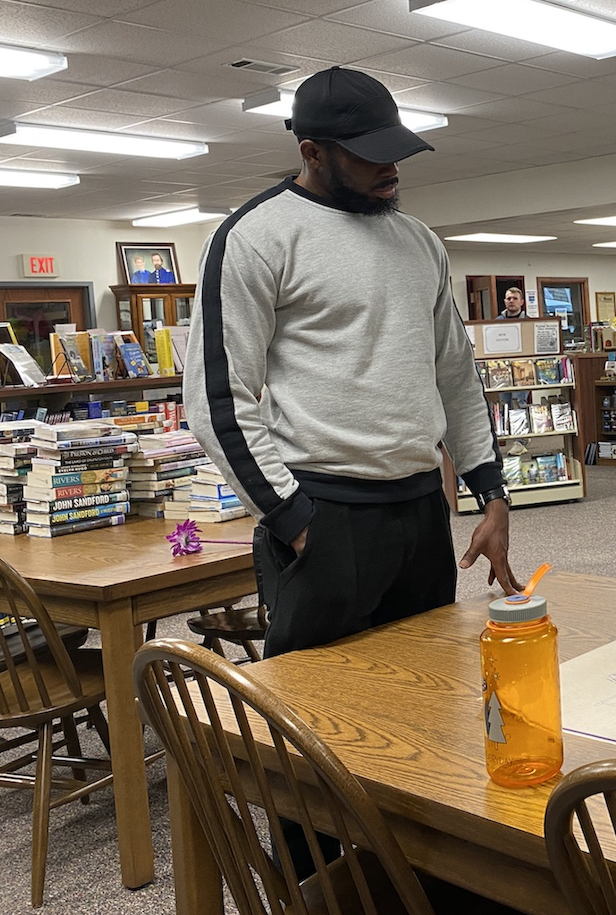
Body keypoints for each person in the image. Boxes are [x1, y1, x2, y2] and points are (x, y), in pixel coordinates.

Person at [185, 64, 521, 663]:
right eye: (369, 156)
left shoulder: (420, 241)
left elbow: (456, 378)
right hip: (325, 512)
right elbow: (216, 399)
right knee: (315, 714)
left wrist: (490, 493)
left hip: (421, 511)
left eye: (396, 151)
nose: (391, 169)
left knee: (428, 690)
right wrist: (293, 518)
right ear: (311, 152)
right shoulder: (254, 237)